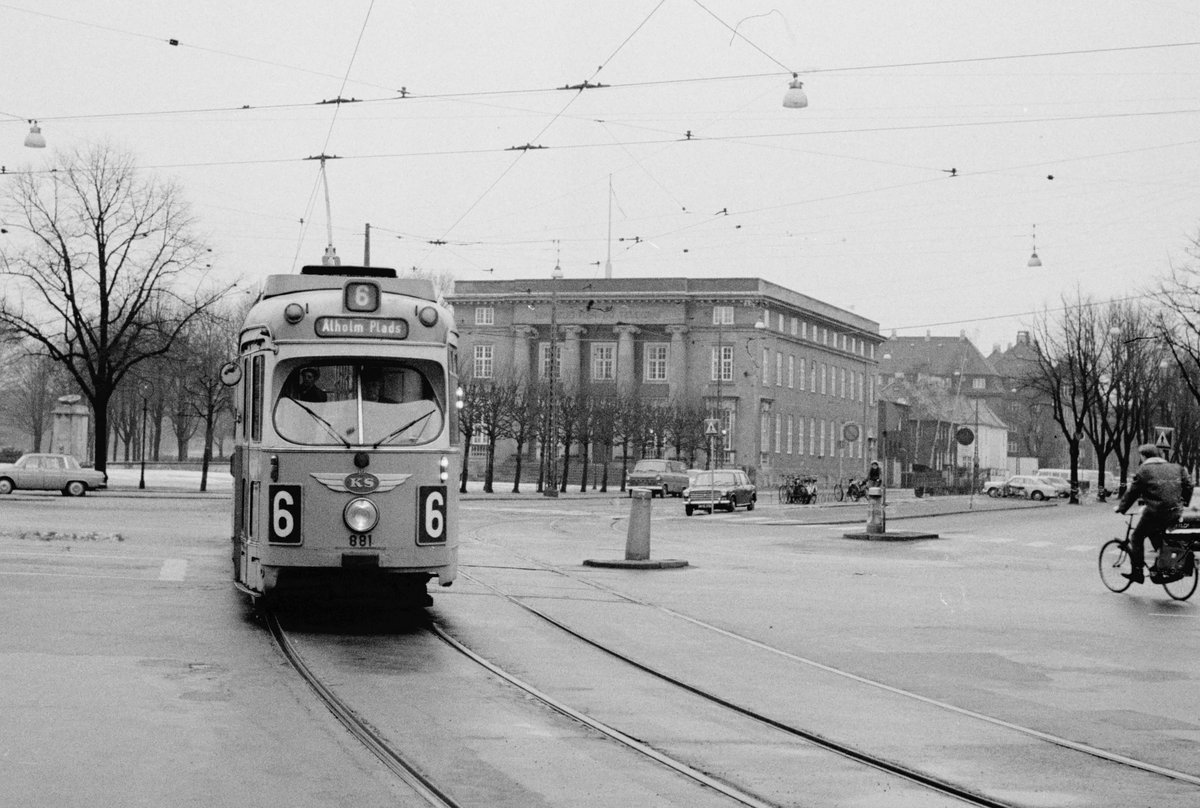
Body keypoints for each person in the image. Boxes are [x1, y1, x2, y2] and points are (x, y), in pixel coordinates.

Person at [1114, 444, 1194, 583]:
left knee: (1137, 537)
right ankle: (1160, 565)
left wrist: (1121, 508)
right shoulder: (1176, 468)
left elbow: (1132, 493)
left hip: (1156, 512)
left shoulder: (1144, 470)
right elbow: (1188, 485)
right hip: (1174, 512)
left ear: (1144, 456)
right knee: (1155, 534)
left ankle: (1137, 572)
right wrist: (1184, 502)